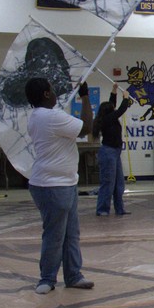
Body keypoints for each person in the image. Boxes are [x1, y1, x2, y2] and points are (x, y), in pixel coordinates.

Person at [26, 77, 95, 294]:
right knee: (55, 234)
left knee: (71, 233)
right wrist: (85, 97)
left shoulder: (38, 116)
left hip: (65, 182)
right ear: (46, 94)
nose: (56, 93)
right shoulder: (50, 117)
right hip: (53, 185)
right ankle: (47, 278)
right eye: (53, 90)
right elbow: (87, 127)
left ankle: (74, 275)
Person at [93, 83, 134, 216]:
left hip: (115, 152)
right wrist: (126, 98)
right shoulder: (108, 119)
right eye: (112, 108)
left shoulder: (108, 117)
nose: (114, 108)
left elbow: (112, 104)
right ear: (109, 111)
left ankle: (119, 209)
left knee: (118, 183)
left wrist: (114, 90)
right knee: (108, 183)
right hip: (108, 152)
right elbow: (121, 109)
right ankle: (102, 209)